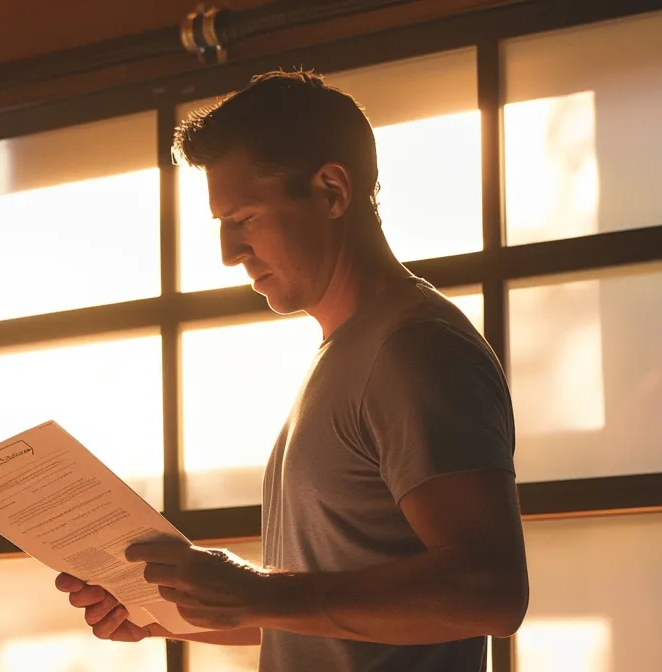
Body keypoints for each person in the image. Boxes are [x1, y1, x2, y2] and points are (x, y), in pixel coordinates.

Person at [55, 69, 528, 671]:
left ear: (331, 191)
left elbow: (489, 593)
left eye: (243, 219)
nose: (229, 254)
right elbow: (322, 616)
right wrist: (169, 609)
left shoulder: (416, 349)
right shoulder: (345, 353)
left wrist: (259, 591)